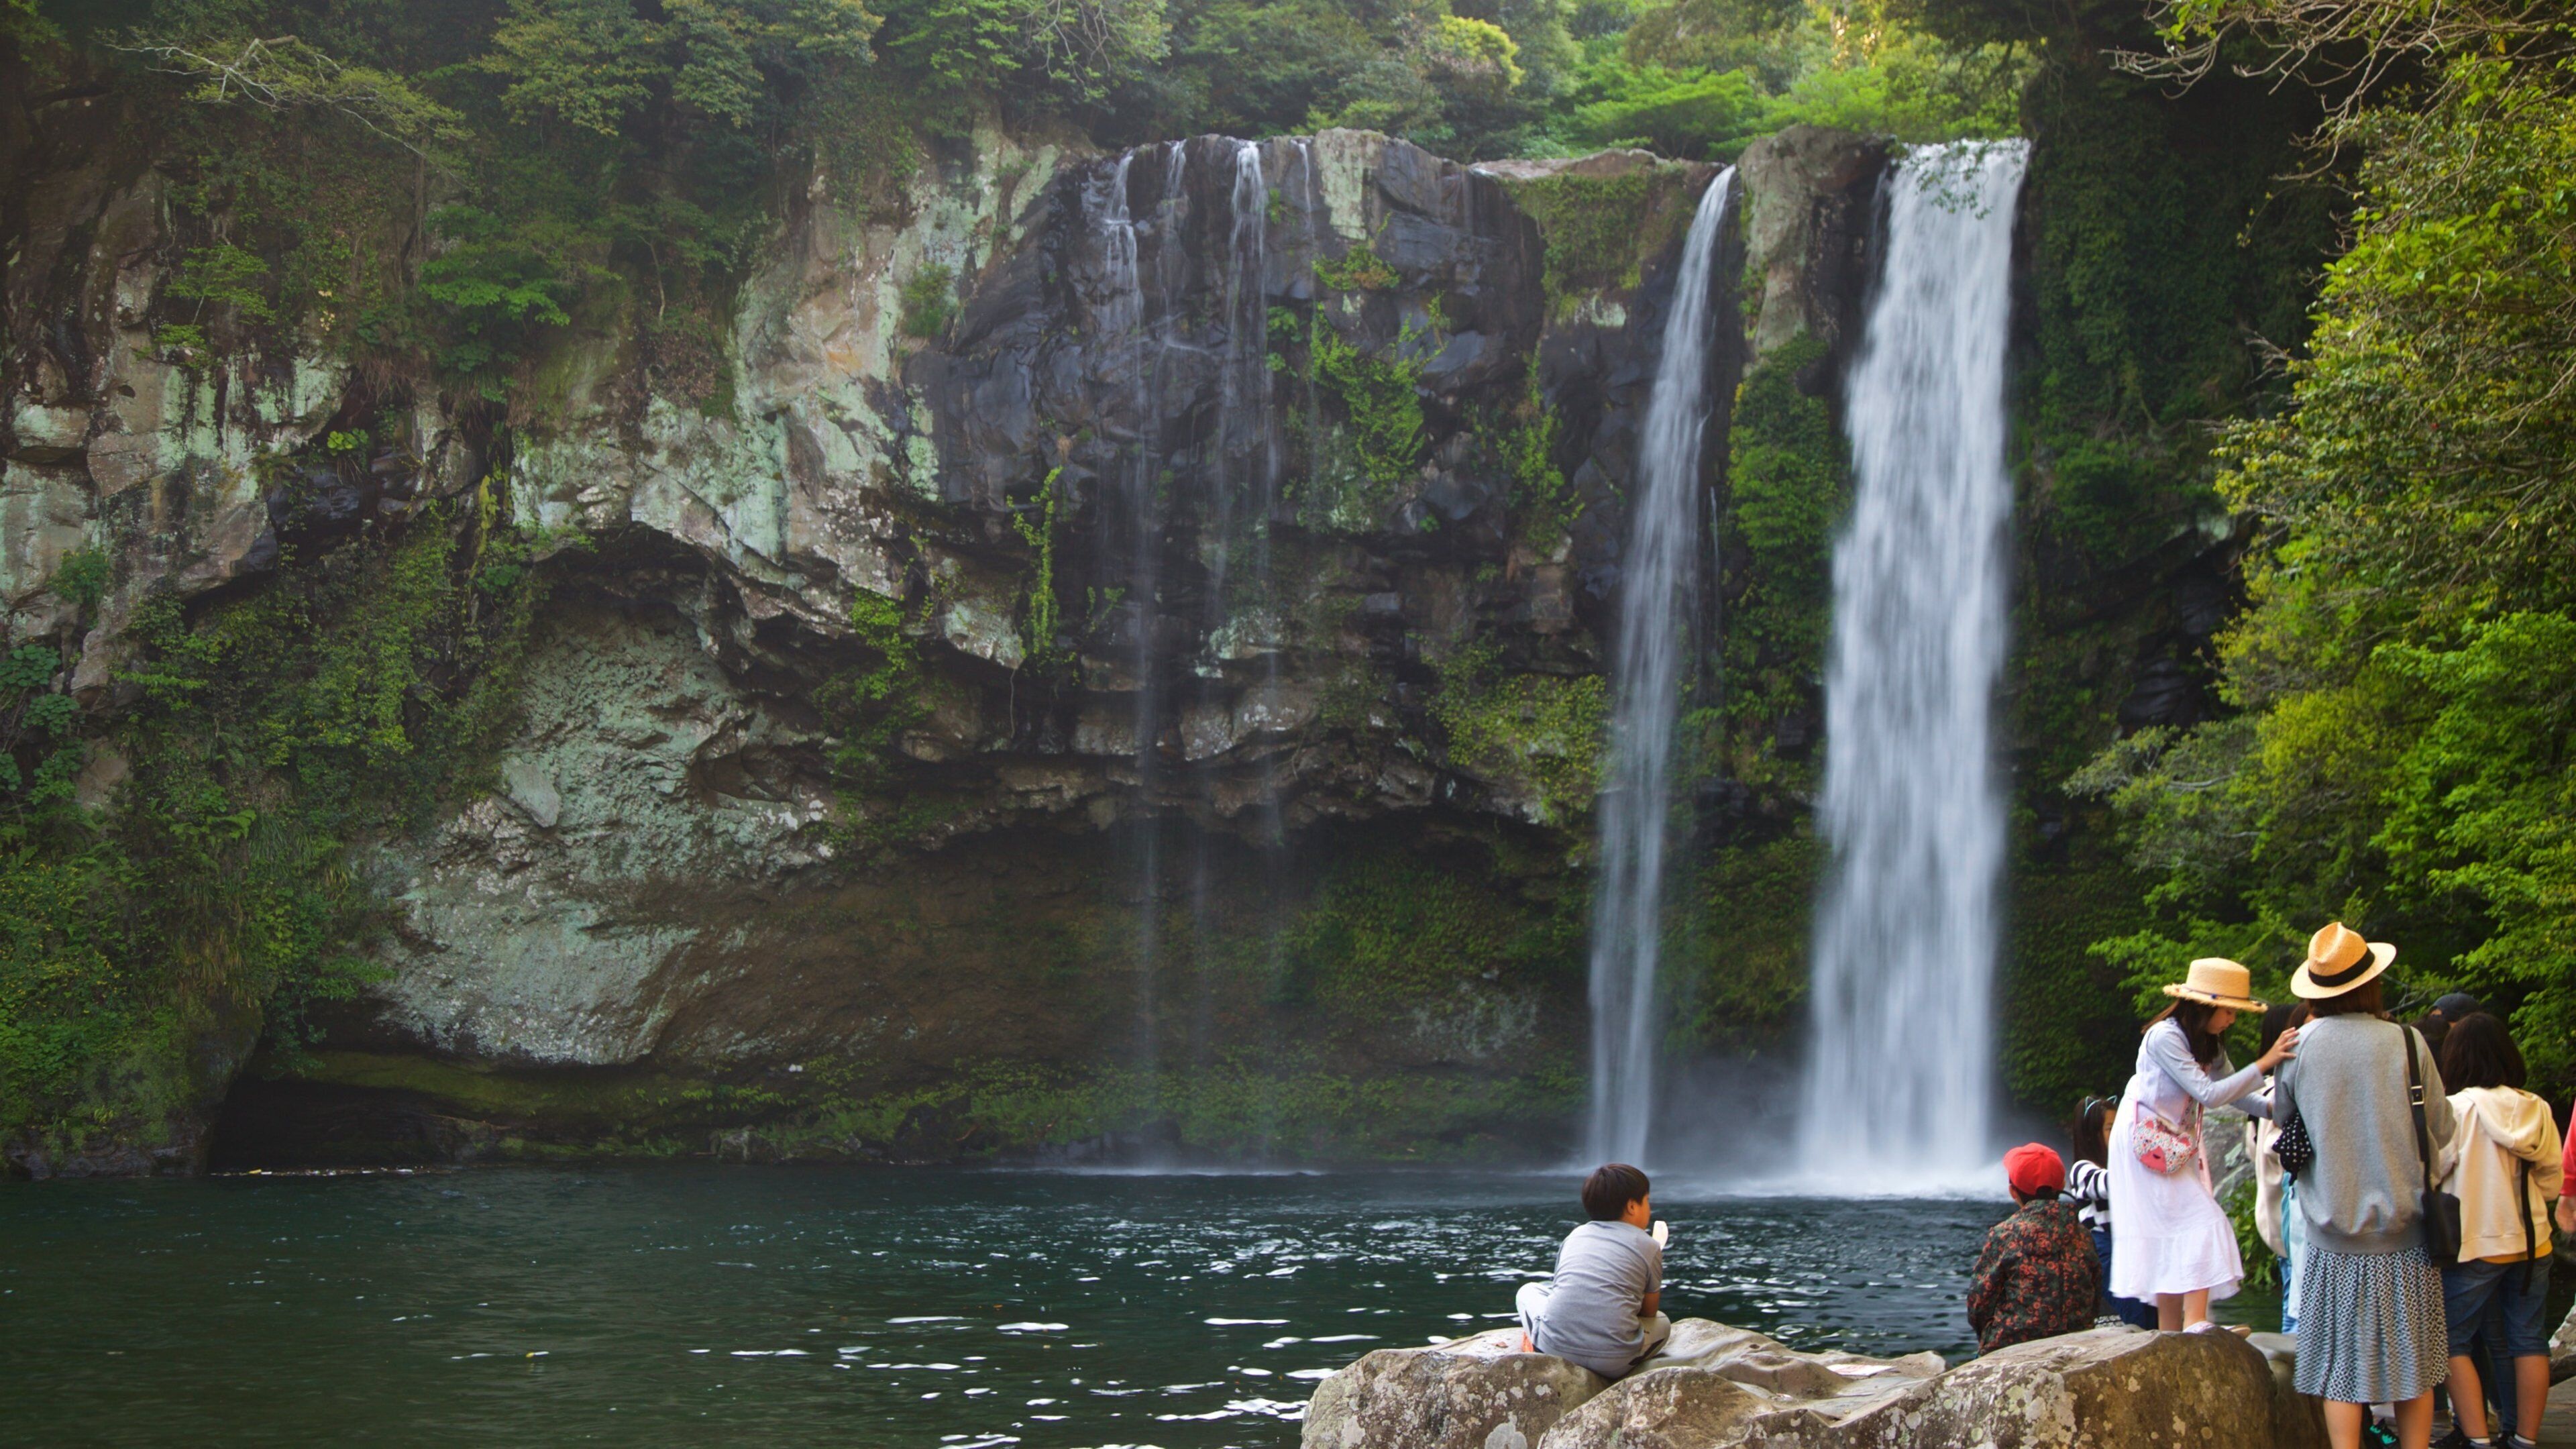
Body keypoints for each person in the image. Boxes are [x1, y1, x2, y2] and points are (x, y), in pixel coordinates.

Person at [2274, 921, 2457, 1449]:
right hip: (2408, 1234)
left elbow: (2287, 1119)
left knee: (2339, 1369)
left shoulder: (2301, 1045)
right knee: (2414, 1366)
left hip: (2333, 1237)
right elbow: (2442, 1127)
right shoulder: (2407, 1039)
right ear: (2371, 981)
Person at [2109, 957, 2298, 1332]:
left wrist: (2276, 1107)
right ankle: (2196, 1322)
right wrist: (2264, 1063)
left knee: (2171, 1230)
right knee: (2201, 1220)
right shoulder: (2165, 1037)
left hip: (2173, 1143)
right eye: (2228, 1011)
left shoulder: (2209, 1043)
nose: (2232, 1020)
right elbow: (2209, 1094)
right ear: (2205, 1006)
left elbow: (2238, 1095)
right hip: (2147, 1143)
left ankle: (2169, 1332)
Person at [2434, 1012, 2561, 1449]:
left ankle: (2477, 1437)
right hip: (2532, 1244)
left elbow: (2436, 1169)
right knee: (2528, 1339)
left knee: (2450, 1339)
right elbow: (2551, 1182)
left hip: (2475, 1244)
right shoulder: (2536, 1107)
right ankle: (2523, 1438)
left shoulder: (2457, 1109)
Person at [1515, 1163, 1670, 1378]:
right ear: (1633, 1207)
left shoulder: (1575, 1235)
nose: (1649, 1209)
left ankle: (1535, 1341)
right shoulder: (1649, 1245)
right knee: (1663, 1323)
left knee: (1529, 1290)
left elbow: (1563, 1290)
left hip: (1555, 1350)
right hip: (1615, 1363)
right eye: (1647, 1201)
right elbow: (1649, 1313)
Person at [1969, 1143, 2102, 1353]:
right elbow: (2095, 1294)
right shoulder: (2082, 1233)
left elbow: (1979, 1303)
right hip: (2076, 1345)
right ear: (2062, 1184)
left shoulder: (2005, 1235)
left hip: (2013, 1348)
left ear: (2013, 1191)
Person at [2249, 1002, 2313, 1332]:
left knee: (2294, 1299)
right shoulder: (2279, 1094)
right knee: (2295, 1308)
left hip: (2273, 1216)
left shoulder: (2260, 1094)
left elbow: (2253, 1150)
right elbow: (2282, 1150)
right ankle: (2293, 1379)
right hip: (2287, 1219)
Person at [2067, 1097, 2157, 1328]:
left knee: (2152, 1311)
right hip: (2104, 1249)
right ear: (2091, 1134)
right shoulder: (2082, 1169)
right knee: (2131, 1312)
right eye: (2110, 1129)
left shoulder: (2125, 1171)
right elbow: (2107, 1184)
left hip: (2133, 1247)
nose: (2118, 1135)